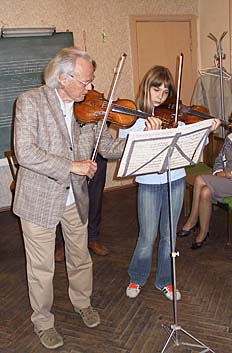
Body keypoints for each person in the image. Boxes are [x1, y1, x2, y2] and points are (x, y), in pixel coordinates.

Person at [13, 46, 161, 350]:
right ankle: (43, 321)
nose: (91, 88)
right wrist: (71, 165)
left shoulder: (91, 109)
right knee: (42, 269)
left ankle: (83, 303)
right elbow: (26, 153)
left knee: (80, 258)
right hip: (39, 199)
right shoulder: (30, 102)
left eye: (91, 81)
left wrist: (143, 135)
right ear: (64, 78)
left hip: (74, 199)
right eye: (86, 82)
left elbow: (108, 148)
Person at [119, 65, 220, 301]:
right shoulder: (133, 117)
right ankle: (137, 276)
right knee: (147, 235)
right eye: (157, 90)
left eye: (166, 91)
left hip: (175, 180)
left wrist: (207, 130)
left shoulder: (176, 117)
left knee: (169, 235)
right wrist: (146, 133)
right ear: (147, 88)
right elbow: (126, 149)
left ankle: (165, 280)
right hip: (148, 183)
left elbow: (193, 143)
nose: (161, 96)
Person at [177, 106, 232, 249]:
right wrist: (217, 172)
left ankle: (192, 221)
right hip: (224, 179)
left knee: (199, 179)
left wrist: (231, 174)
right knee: (205, 192)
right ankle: (203, 233)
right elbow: (218, 159)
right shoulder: (229, 138)